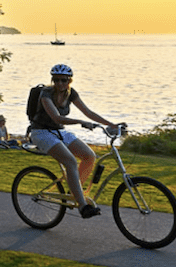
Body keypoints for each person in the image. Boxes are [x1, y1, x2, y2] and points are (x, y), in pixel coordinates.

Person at [29, 64, 119, 219]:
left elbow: (88, 112)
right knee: (70, 161)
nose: (60, 84)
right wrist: (80, 122)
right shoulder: (46, 93)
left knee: (89, 156)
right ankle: (83, 206)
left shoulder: (71, 93)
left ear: (69, 81)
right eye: (56, 80)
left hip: (59, 131)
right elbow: (57, 118)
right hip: (41, 132)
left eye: (63, 80)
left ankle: (75, 194)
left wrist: (111, 125)